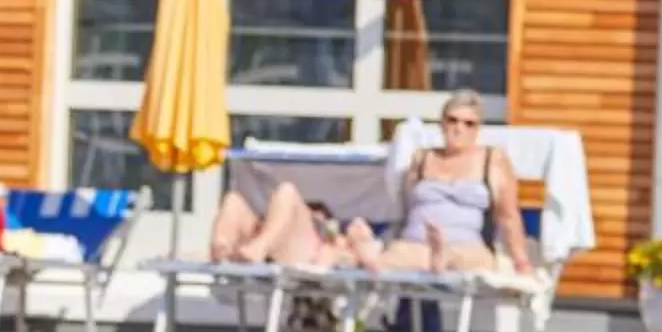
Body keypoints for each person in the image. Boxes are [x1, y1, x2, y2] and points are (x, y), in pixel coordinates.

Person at [383, 90, 534, 278]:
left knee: (463, 259)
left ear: (478, 129)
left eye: (468, 123)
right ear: (442, 123)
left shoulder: (491, 159)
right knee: (390, 259)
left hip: (467, 248)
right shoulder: (422, 158)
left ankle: (439, 256)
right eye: (452, 120)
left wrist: (521, 261)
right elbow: (407, 207)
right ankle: (351, 252)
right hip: (416, 244)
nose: (458, 128)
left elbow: (508, 216)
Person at [207, 178, 375, 270]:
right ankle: (221, 246)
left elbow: (360, 262)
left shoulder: (342, 241)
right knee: (233, 200)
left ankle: (259, 247)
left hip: (301, 254)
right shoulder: (278, 218)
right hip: (261, 248)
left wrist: (358, 242)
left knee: (287, 191)